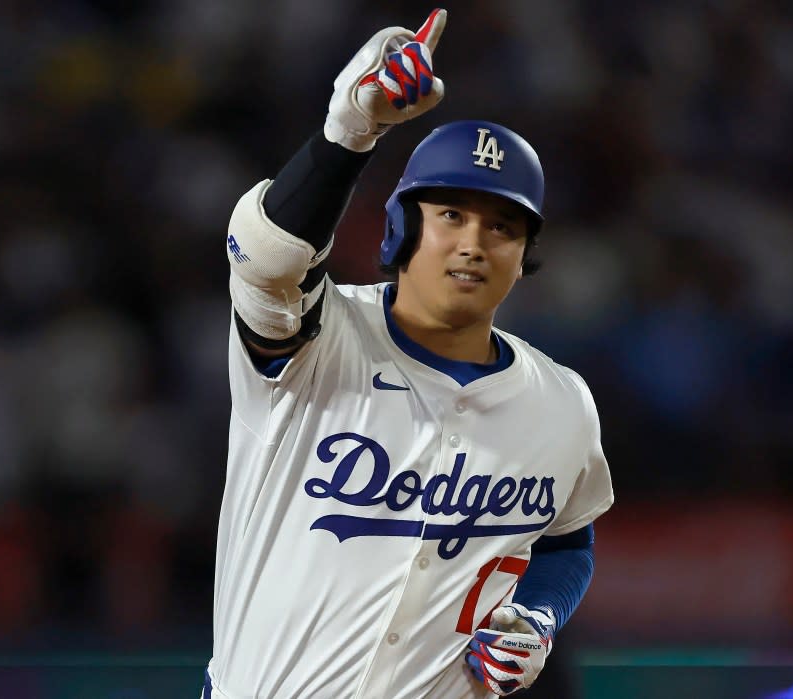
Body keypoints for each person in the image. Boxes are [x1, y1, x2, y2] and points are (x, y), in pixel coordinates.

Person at [205, 9, 614, 698]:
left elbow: (567, 540)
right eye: (450, 214)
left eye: (503, 226)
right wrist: (349, 131)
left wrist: (537, 616)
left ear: (524, 258)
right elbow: (268, 259)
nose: (473, 243)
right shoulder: (315, 338)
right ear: (399, 227)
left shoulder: (561, 400)